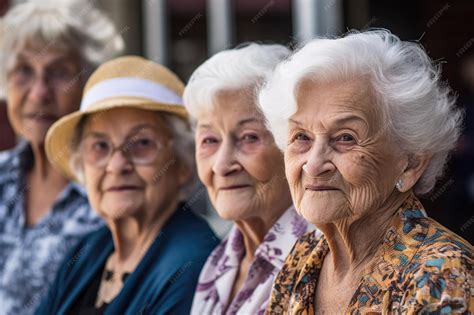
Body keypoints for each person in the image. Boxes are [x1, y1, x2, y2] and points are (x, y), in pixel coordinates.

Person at [259, 30, 473, 313]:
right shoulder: (304, 257)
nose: (313, 164)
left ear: (410, 163)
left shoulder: (443, 275)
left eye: (345, 138)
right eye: (301, 137)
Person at [35, 55, 219, 314]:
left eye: (142, 143)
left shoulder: (193, 261)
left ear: (183, 163)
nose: (117, 165)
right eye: (100, 146)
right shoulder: (88, 250)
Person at [0, 1, 123, 313]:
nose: (39, 92)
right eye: (24, 71)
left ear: (89, 83)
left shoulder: (113, 192)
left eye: (58, 73)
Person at [183, 44, 313, 315]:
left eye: (249, 138)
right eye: (210, 140)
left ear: (292, 145)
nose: (222, 165)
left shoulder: (319, 262)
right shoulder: (220, 259)